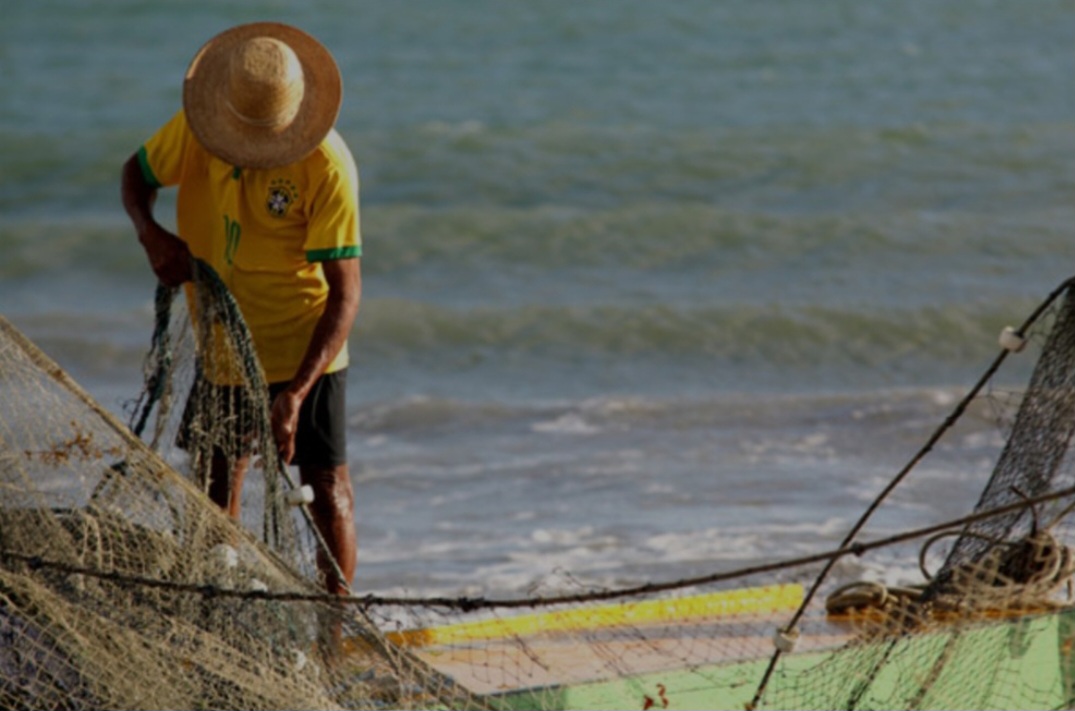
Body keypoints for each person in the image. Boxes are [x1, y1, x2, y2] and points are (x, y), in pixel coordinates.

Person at [121, 22, 360, 597]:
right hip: (222, 345)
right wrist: (150, 234)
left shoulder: (326, 166)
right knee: (211, 499)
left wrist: (296, 394)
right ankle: (220, 625)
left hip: (306, 350)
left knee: (324, 491)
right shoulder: (199, 130)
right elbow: (136, 175)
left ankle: (334, 635)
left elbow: (345, 293)